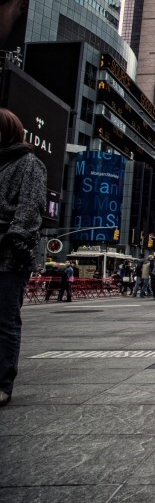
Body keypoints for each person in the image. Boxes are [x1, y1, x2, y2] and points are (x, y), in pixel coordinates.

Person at [0, 107, 47, 407]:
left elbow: (30, 209)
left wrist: (13, 241)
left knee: (5, 321)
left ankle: (3, 383)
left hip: (7, 256)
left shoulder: (28, 163)